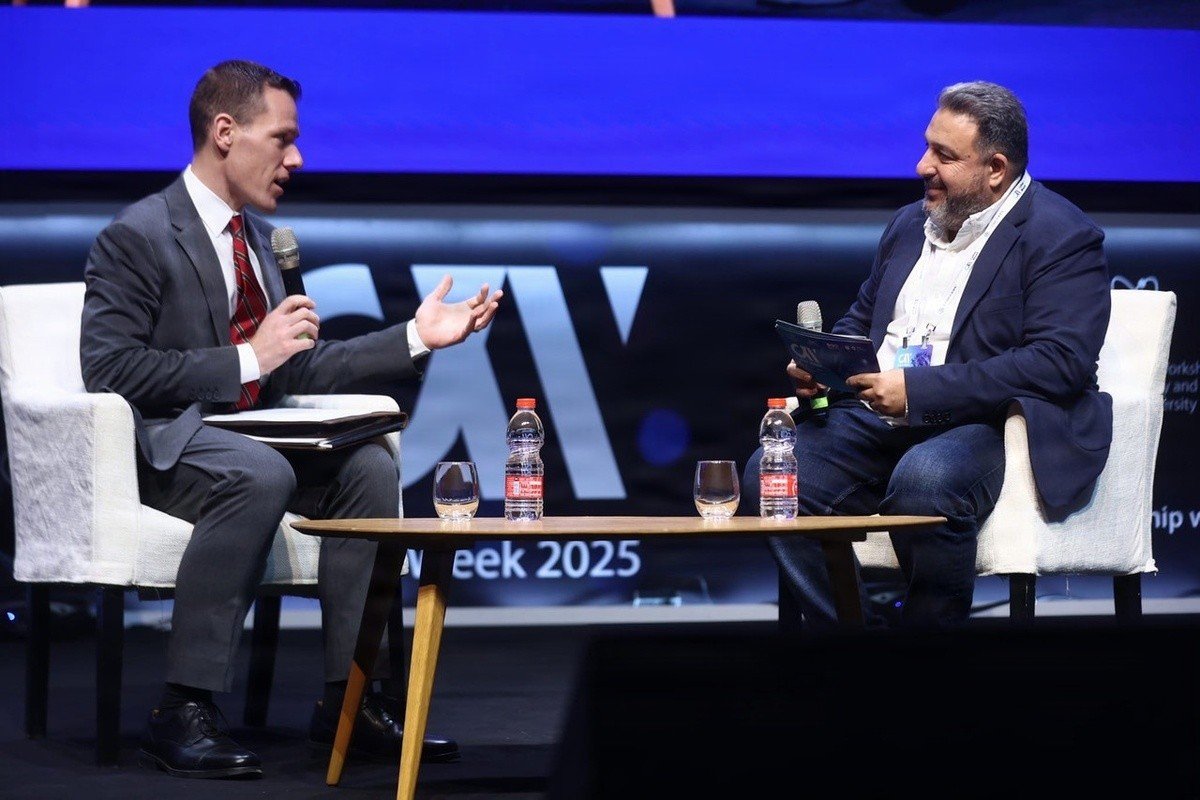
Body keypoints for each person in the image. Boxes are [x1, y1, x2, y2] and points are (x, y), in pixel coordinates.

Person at [80, 60, 502, 779]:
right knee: (259, 473)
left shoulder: (261, 241)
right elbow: (110, 369)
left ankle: (352, 703)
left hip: (253, 440)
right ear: (225, 132)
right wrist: (248, 357)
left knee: (369, 467)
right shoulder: (139, 235)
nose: (297, 158)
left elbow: (295, 370)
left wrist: (414, 338)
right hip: (167, 450)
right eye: (282, 139)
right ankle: (181, 708)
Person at [743, 81, 1111, 628]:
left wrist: (918, 391)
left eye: (944, 155)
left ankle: (929, 654)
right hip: (878, 417)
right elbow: (864, 321)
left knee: (926, 478)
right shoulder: (909, 225)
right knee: (775, 474)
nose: (922, 166)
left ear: (996, 169)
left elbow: (1060, 361)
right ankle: (856, 645)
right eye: (926, 146)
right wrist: (827, 366)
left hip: (986, 422)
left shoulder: (1061, 236)